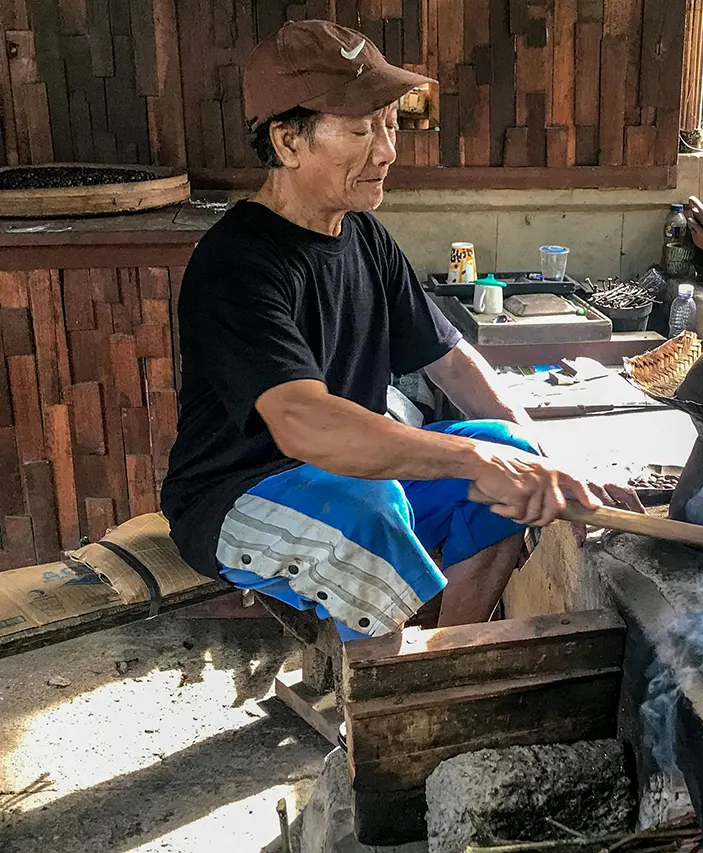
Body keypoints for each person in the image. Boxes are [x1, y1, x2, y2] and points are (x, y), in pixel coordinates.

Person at [160, 20, 636, 640]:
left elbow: (451, 360)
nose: (386, 149)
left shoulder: (363, 236)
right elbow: (306, 425)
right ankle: (384, 707)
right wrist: (472, 456)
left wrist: (541, 466)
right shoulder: (238, 264)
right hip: (237, 495)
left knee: (506, 446)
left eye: (387, 124)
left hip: (350, 476)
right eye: (360, 130)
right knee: (370, 510)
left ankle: (446, 658)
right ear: (287, 142)